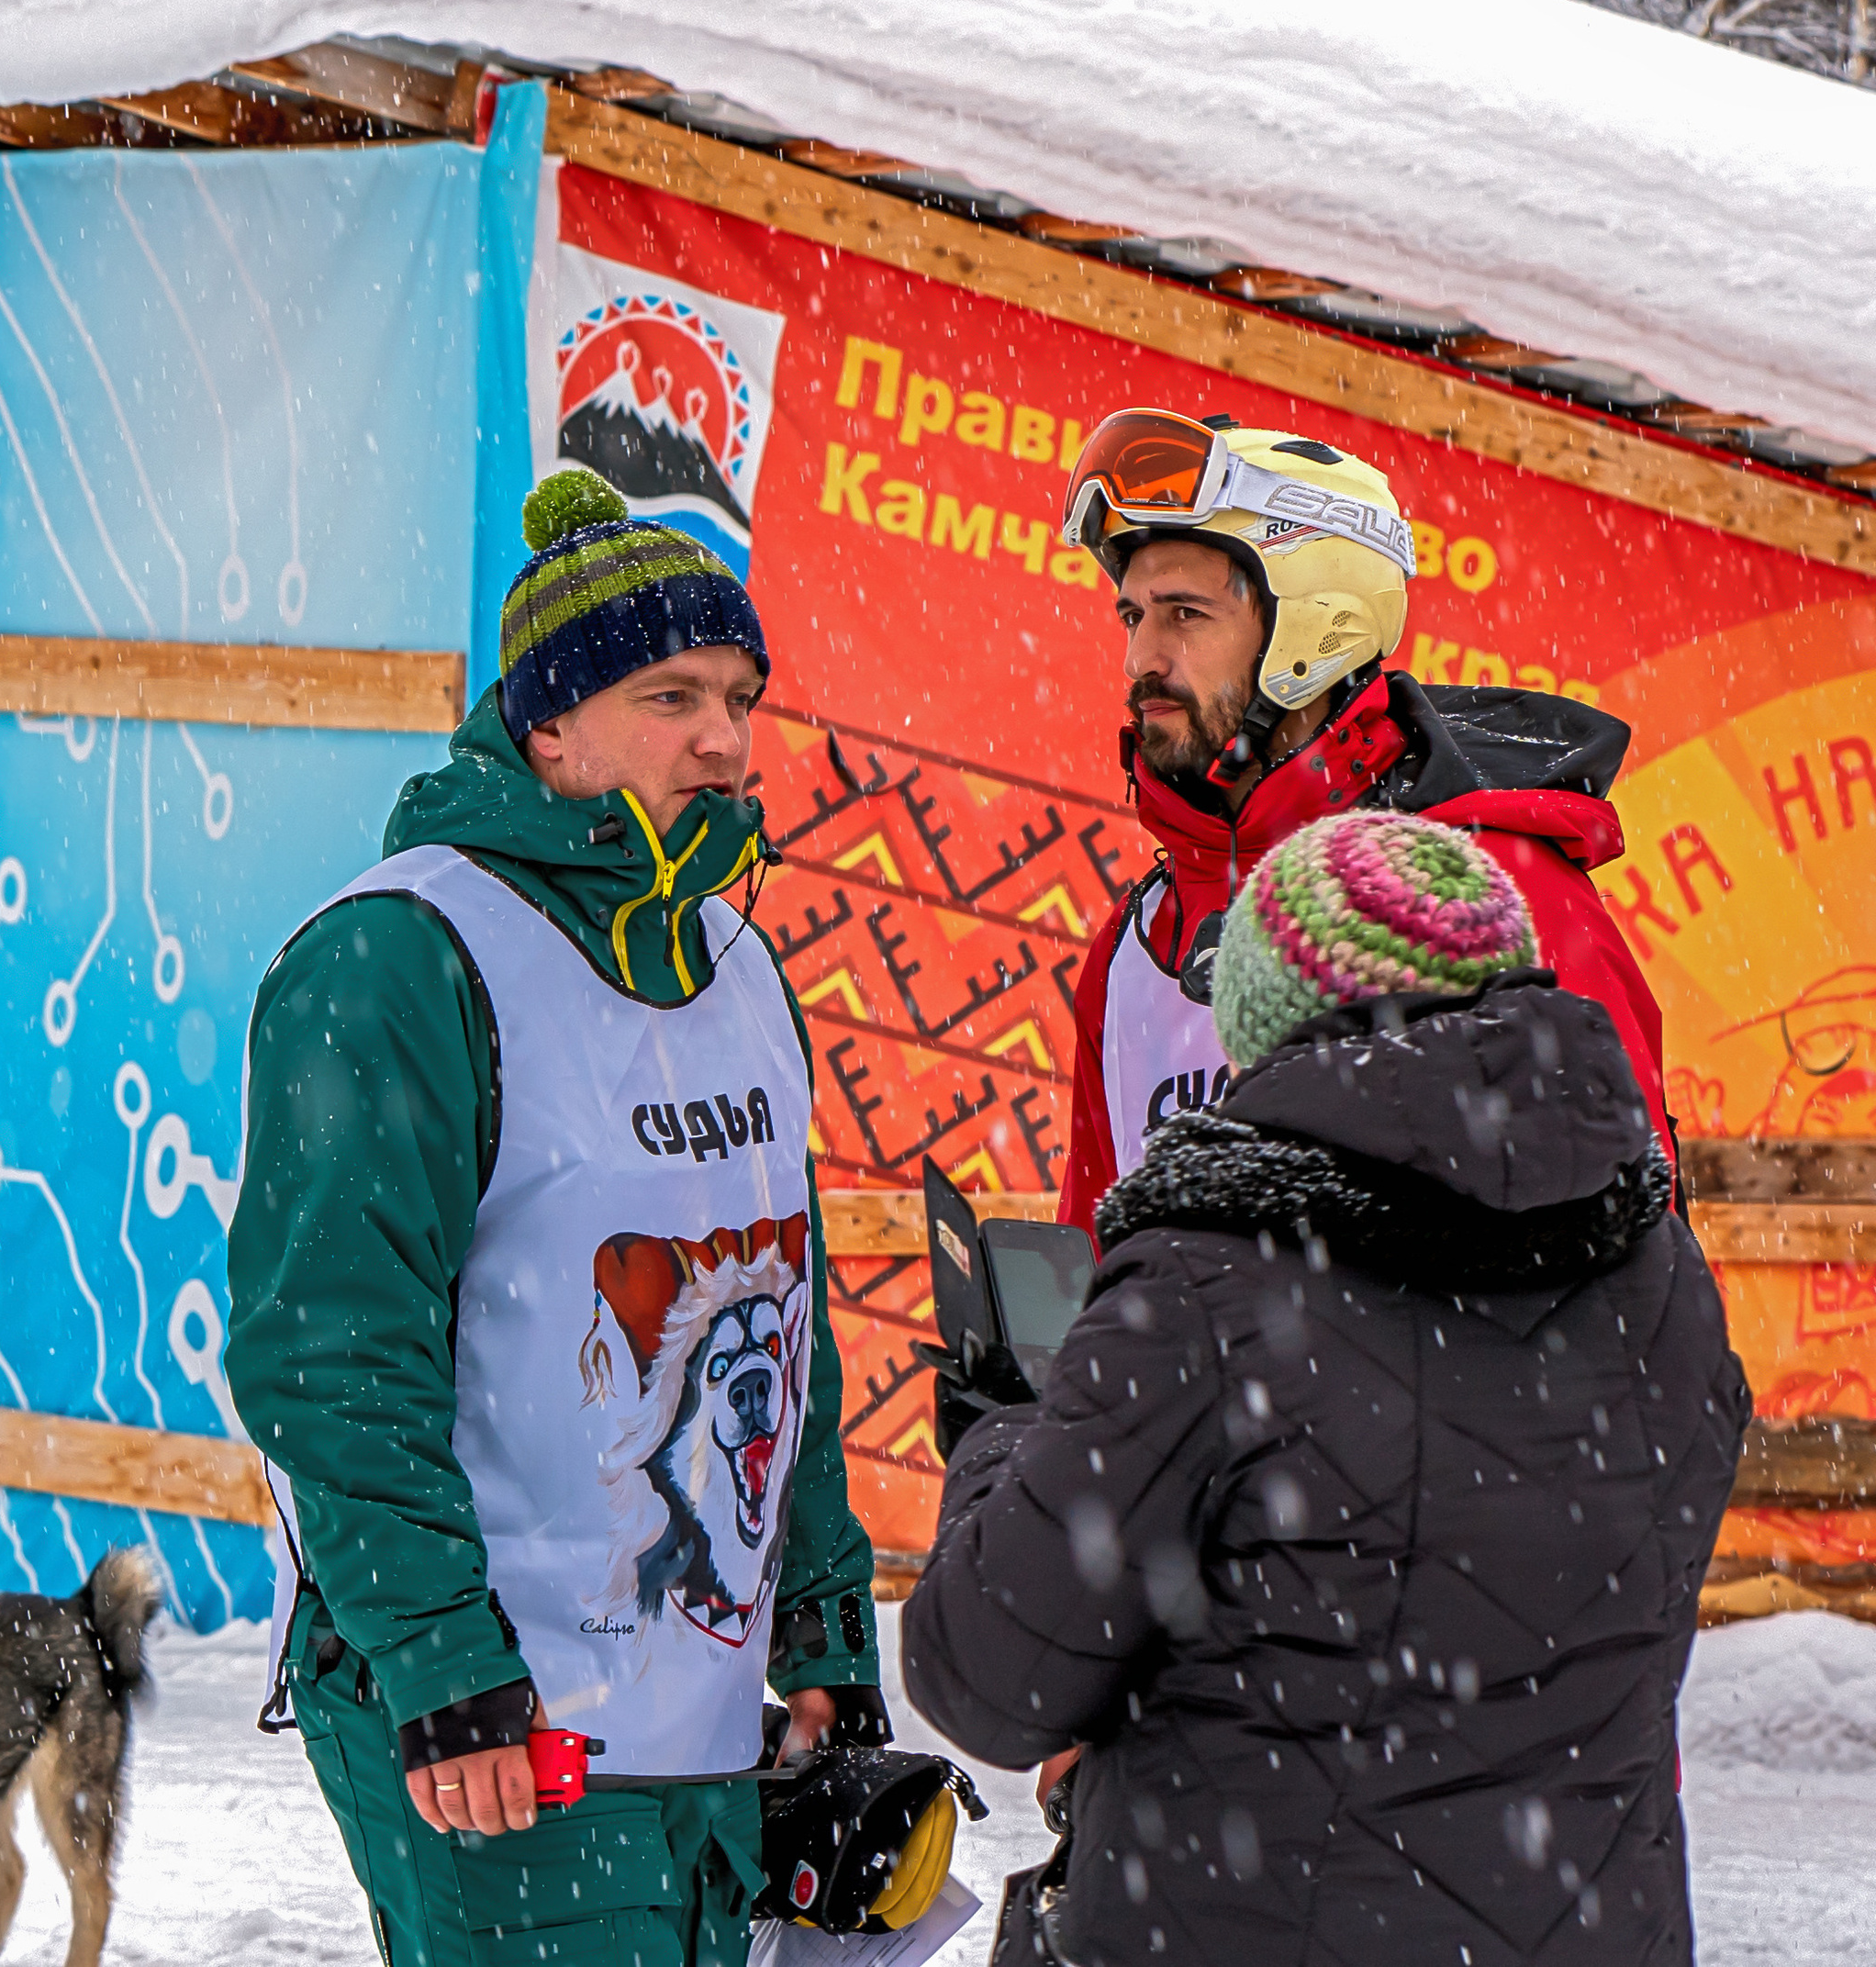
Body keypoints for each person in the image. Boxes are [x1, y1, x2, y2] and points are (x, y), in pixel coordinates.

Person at [225, 467, 886, 1967]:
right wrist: (443, 1662)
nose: (723, 737)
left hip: (711, 1719)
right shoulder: (400, 955)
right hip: (507, 1730)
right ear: (550, 725)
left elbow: (793, 1330)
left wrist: (825, 1623)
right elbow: (329, 1355)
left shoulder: (737, 959)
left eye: (740, 694)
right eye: (671, 695)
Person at [901, 811, 1749, 1965]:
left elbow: (989, 1679)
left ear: (1262, 1023)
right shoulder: (1658, 1270)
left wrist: (1007, 1439)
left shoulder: (1205, 1281)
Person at [1049, 407, 1669, 1230]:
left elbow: (1628, 1288)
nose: (1141, 660)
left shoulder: (1489, 898)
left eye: (1184, 615)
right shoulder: (1137, 954)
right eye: (1134, 616)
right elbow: (1100, 1268)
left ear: (1311, 626)